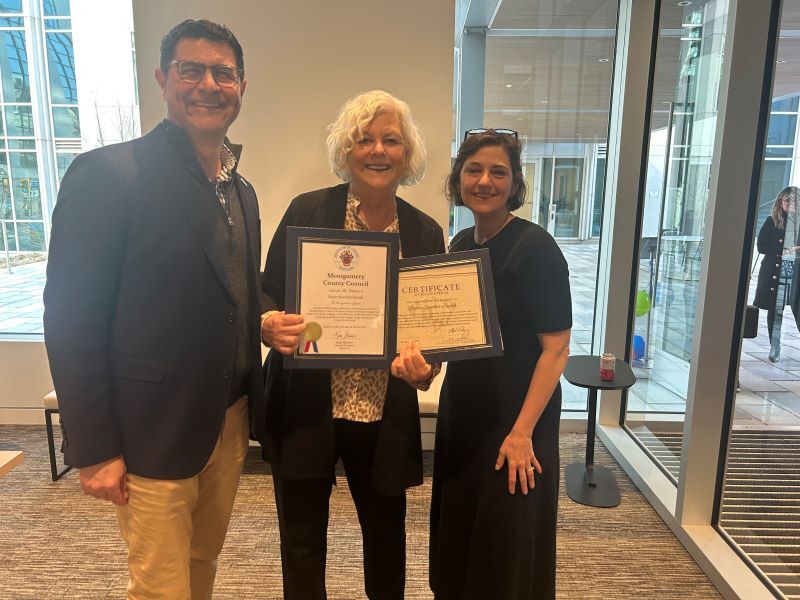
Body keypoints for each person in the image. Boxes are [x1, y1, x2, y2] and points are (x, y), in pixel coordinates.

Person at [43, 19, 262, 599]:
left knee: (201, 565)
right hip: (151, 429)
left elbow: (232, 296)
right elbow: (70, 319)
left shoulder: (242, 192)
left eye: (223, 74)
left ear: (242, 87)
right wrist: (95, 448)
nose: (208, 85)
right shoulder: (108, 175)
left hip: (228, 421)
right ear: (164, 79)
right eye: (192, 70)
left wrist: (267, 322)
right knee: (161, 586)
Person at [257, 90, 445, 599]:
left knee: (386, 539)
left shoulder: (425, 232)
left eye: (391, 140)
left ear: (407, 153)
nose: (377, 151)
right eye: (364, 139)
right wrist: (267, 322)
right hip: (306, 406)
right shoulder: (308, 210)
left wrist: (426, 369)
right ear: (347, 149)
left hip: (383, 411)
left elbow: (433, 330)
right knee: (301, 540)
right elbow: (267, 290)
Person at [429, 129, 572, 599]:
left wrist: (522, 432)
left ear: (514, 184)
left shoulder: (535, 248)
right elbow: (451, 334)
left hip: (516, 420)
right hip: (464, 413)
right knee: (461, 532)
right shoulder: (459, 245)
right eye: (473, 170)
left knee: (505, 545)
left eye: (498, 172)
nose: (484, 181)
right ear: (459, 179)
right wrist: (424, 365)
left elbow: (556, 350)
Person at [754, 186, 800, 362]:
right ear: (781, 202)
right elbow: (762, 246)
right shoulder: (772, 221)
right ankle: (775, 346)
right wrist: (787, 250)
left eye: (795, 200)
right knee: (775, 311)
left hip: (796, 274)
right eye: (787, 200)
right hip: (776, 273)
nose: (790, 203)